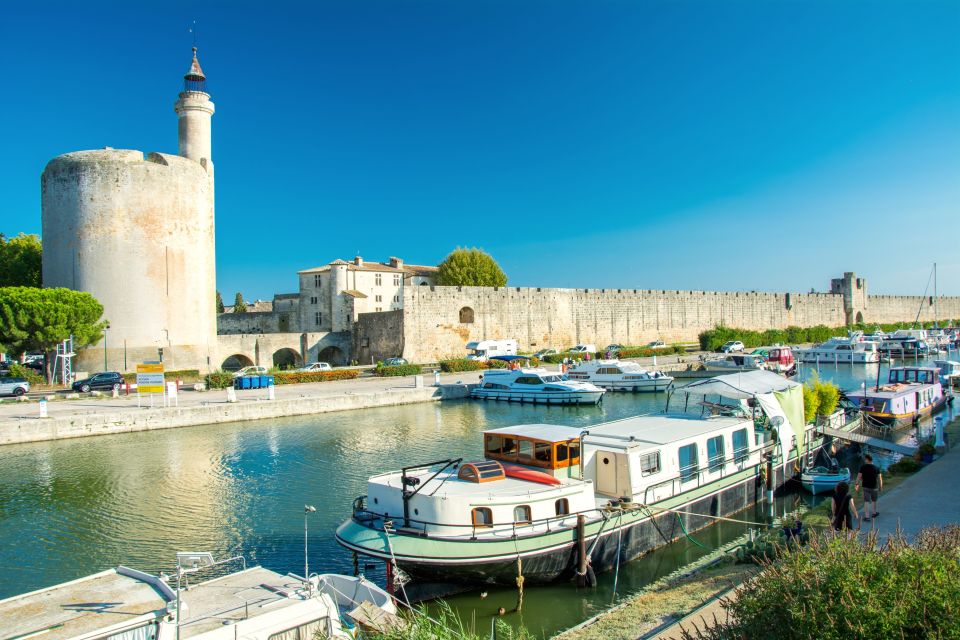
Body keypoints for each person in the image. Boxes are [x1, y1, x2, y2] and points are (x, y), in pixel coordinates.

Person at [856, 453, 883, 521]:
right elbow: (880, 478)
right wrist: (880, 487)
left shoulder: (863, 467)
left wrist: (857, 484)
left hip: (865, 487)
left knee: (866, 501)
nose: (865, 460)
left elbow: (859, 477)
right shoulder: (876, 468)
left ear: (867, 459)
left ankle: (867, 516)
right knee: (874, 501)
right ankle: (874, 513)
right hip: (874, 487)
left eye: (865, 459)